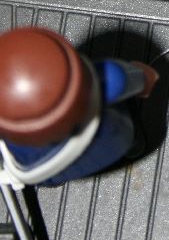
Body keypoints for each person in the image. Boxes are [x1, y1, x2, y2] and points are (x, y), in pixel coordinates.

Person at [0, 26, 158, 188]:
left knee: (53, 175)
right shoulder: (108, 78)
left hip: (41, 169)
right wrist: (145, 77)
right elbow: (133, 78)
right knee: (123, 133)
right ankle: (134, 145)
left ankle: (56, 181)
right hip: (108, 140)